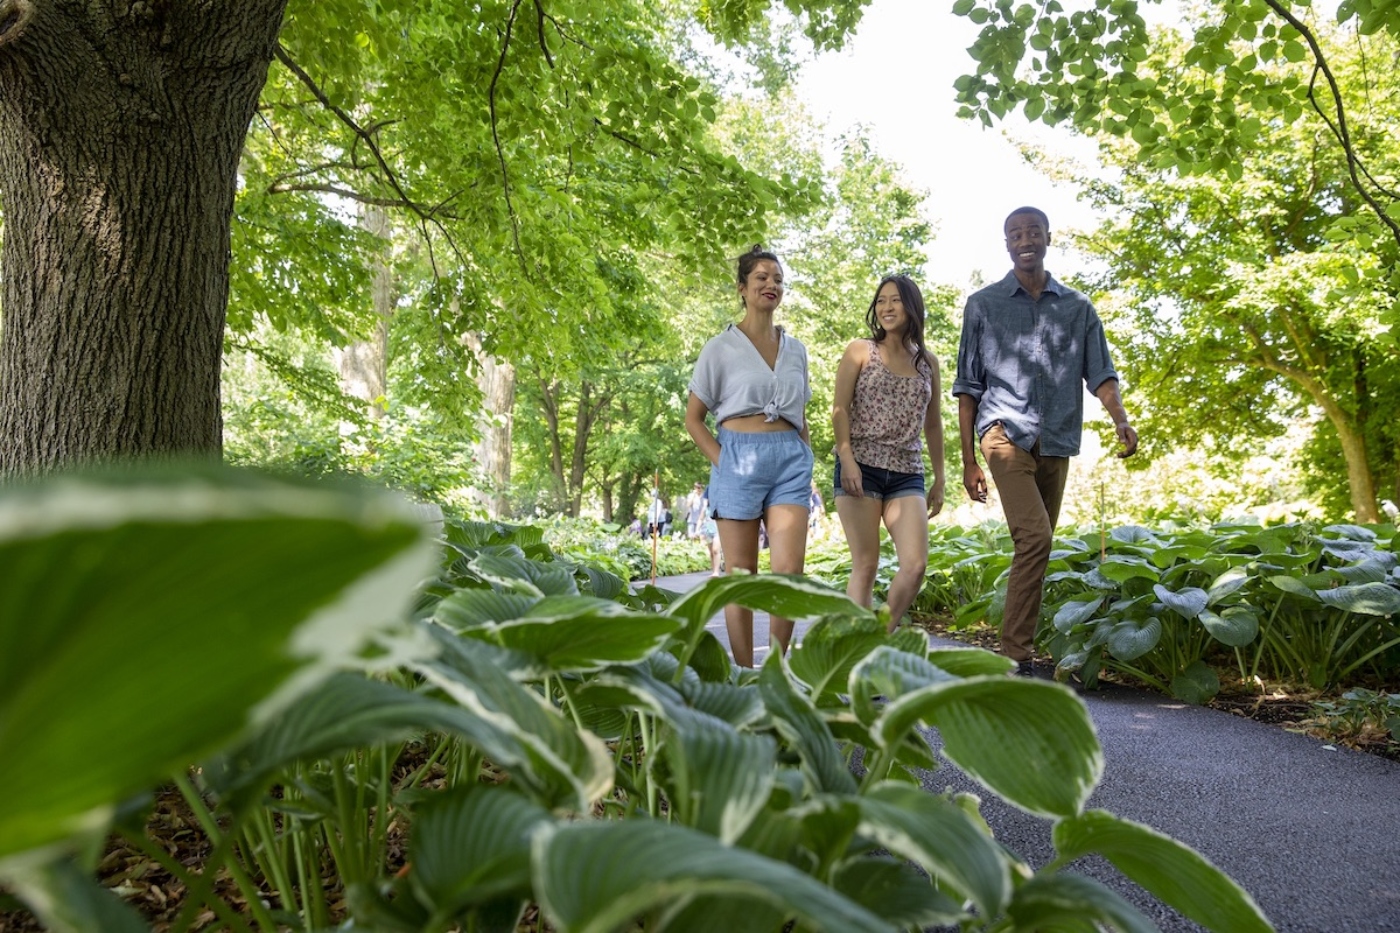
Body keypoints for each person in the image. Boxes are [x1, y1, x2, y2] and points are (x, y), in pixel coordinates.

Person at [953, 206, 1139, 676]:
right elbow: (968, 386)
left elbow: (1101, 373)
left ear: (1048, 238)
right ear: (1007, 245)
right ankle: (1015, 655)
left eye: (1033, 231)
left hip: (1055, 439)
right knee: (1034, 536)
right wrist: (967, 460)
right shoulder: (984, 304)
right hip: (1003, 433)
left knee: (1038, 543)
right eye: (1015, 233)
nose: (1025, 239)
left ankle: (1015, 649)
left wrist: (1120, 418)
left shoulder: (1077, 308)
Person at [685, 245, 814, 667]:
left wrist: (806, 456)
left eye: (777, 278)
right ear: (742, 288)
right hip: (737, 455)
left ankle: (776, 671)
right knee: (741, 576)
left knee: (789, 573)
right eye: (760, 277)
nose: (770, 284)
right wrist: (725, 463)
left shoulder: (796, 349)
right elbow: (694, 420)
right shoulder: (719, 348)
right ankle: (744, 673)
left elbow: (801, 413)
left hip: (789, 460)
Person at [832, 274, 946, 632]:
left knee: (914, 566)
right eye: (881, 300)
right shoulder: (860, 350)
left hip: (907, 470)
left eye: (895, 300)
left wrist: (940, 478)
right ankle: (856, 655)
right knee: (865, 564)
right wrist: (846, 456)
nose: (886, 307)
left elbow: (933, 424)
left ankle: (877, 638)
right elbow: (839, 409)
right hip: (860, 466)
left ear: (911, 306)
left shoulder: (927, 362)